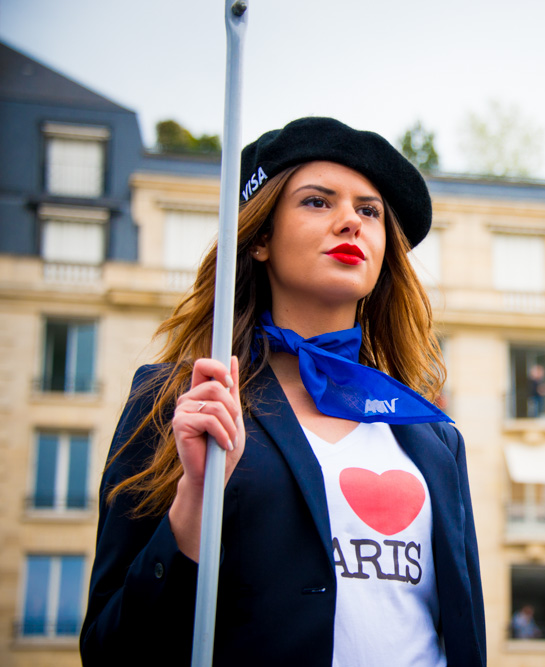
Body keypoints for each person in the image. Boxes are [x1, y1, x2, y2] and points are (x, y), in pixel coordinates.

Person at [80, 118, 486, 666]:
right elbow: (111, 652)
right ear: (262, 238)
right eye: (318, 202)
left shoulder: (431, 435)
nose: (350, 221)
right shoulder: (181, 402)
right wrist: (194, 503)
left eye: (369, 211)